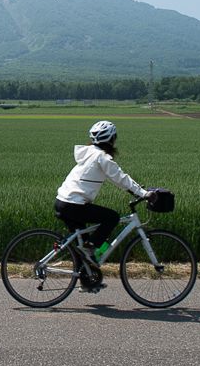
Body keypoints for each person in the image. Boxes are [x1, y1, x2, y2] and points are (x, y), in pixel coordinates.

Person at [54, 120, 155, 290]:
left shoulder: (89, 153)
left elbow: (119, 180)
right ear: (111, 139)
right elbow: (121, 178)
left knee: (82, 247)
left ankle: (87, 281)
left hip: (63, 202)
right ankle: (91, 247)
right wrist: (144, 194)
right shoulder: (102, 157)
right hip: (73, 205)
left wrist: (136, 191)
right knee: (112, 218)